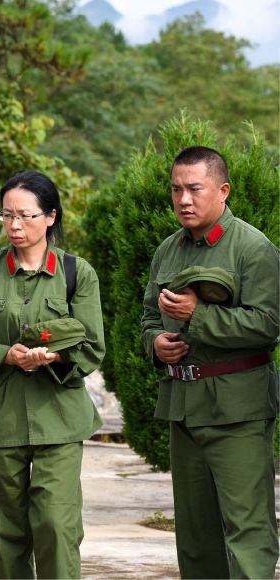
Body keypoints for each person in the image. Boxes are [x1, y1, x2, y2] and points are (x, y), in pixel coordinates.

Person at [0, 170, 105, 579]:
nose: (15, 226)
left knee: (57, 524)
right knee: (5, 535)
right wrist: (8, 356)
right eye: (7, 215)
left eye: (26, 216)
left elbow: (91, 346)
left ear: (50, 217)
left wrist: (54, 358)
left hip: (59, 417)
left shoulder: (77, 273)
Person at [140, 146, 279, 579]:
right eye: (176, 189)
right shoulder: (169, 249)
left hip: (237, 410)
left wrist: (197, 317)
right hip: (184, 406)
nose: (183, 199)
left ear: (222, 190)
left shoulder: (253, 248)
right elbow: (147, 316)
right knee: (195, 538)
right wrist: (155, 343)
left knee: (248, 531)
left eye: (194, 189)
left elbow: (268, 324)